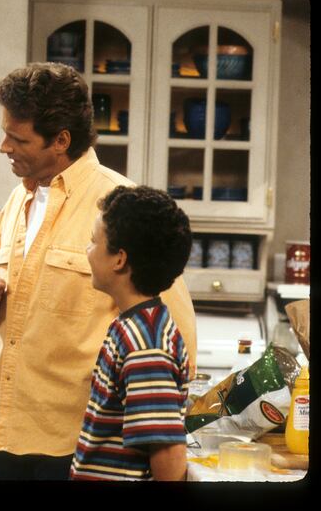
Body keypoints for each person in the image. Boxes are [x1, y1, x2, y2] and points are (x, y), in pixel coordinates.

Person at [0, 62, 196, 480]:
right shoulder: (16, 202)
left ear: (61, 140)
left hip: (81, 446)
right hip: (4, 433)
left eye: (18, 139)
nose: (4, 147)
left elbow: (174, 335)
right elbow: (8, 298)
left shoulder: (119, 207)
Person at [70, 185, 192, 481]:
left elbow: (167, 453)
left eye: (93, 241)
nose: (87, 250)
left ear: (119, 259)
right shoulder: (132, 325)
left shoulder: (145, 345)